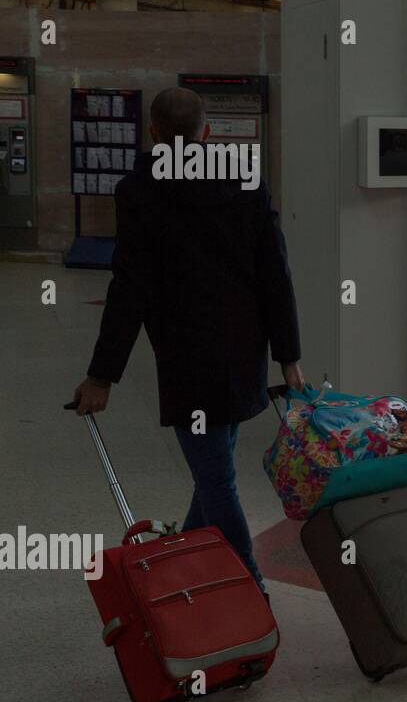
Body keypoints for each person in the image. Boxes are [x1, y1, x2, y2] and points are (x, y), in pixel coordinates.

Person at [73, 87, 303, 595]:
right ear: (207, 132)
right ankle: (190, 565)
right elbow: (275, 272)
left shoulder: (139, 191)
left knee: (216, 477)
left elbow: (129, 286)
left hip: (186, 355)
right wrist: (288, 356)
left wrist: (101, 376)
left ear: (152, 134)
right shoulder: (246, 181)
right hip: (245, 350)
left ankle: (249, 587)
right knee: (213, 470)